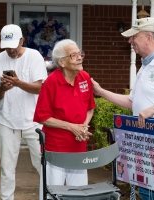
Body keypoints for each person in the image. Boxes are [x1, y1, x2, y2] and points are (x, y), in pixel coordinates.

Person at [91, 17, 154, 200]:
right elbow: (133, 102)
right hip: (144, 148)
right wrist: (100, 91)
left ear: (148, 37)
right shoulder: (144, 66)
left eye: (134, 37)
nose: (130, 41)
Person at [0, 24, 47, 200]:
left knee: (42, 164)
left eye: (14, 45)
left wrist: (18, 82)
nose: (10, 50)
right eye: (7, 46)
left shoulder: (34, 56)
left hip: (34, 121)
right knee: (7, 168)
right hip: (7, 121)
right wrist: (3, 88)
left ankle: (47, 196)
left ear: (22, 40)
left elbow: (40, 88)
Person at [33, 39, 95, 199]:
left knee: (80, 194)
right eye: (73, 55)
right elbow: (43, 116)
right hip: (56, 149)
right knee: (52, 194)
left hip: (79, 146)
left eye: (80, 53)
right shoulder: (51, 82)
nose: (79, 57)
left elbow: (90, 108)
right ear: (61, 61)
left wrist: (83, 126)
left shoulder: (85, 77)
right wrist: (72, 127)